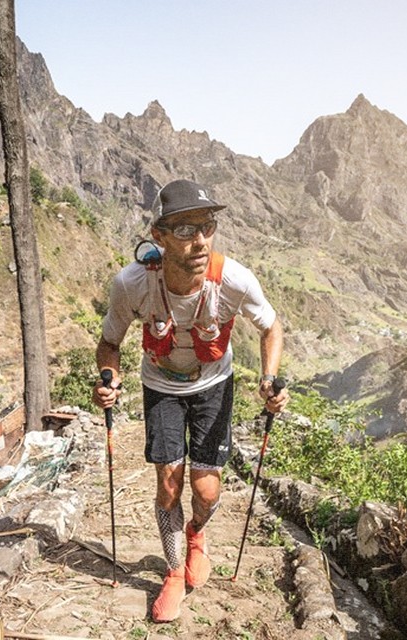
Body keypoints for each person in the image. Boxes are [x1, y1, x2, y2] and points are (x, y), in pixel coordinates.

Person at [92, 178, 289, 623]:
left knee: (206, 489)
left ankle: (196, 532)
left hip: (214, 384)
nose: (200, 240)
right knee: (168, 483)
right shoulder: (132, 284)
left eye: (207, 226)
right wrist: (109, 379)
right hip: (161, 386)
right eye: (184, 229)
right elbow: (110, 343)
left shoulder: (233, 280)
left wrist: (269, 379)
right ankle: (174, 571)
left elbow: (271, 327)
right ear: (159, 236)